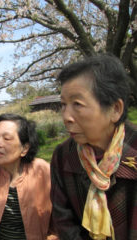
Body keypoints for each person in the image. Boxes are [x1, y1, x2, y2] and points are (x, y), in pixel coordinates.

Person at [50, 54, 137, 240]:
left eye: (77, 104)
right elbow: (64, 221)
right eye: (63, 105)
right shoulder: (63, 156)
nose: (66, 117)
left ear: (115, 109)